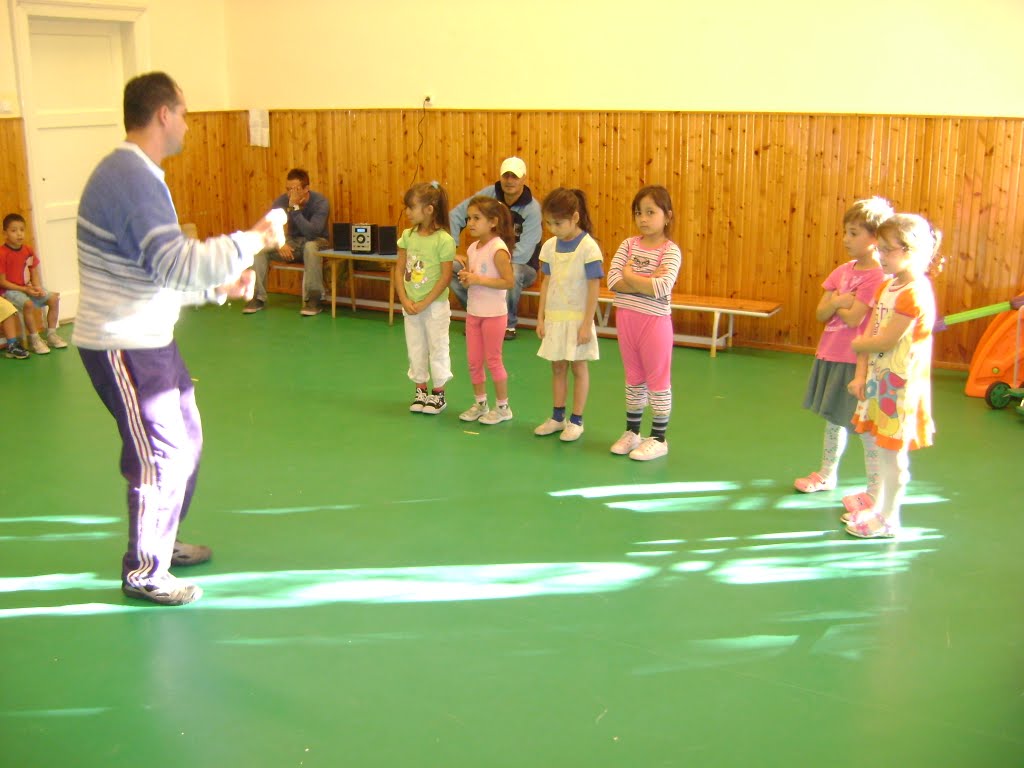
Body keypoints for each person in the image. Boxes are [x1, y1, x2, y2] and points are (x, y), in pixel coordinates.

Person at [74, 71, 285, 605]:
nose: (189, 126)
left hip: (149, 337)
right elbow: (176, 261)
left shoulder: (140, 175)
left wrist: (217, 288)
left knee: (185, 439)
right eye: (185, 114)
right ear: (164, 114)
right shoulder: (130, 177)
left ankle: (161, 543)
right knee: (160, 453)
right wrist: (253, 239)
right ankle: (146, 571)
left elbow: (158, 272)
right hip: (121, 342)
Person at [844, 213, 941, 538]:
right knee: (882, 451)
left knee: (893, 457)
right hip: (879, 384)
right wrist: (860, 375)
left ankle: (889, 518)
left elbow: (883, 340)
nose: (881, 255)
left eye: (888, 250)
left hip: (900, 391)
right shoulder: (887, 286)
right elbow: (871, 331)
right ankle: (880, 508)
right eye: (880, 248)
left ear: (911, 251)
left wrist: (857, 344)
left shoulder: (915, 293)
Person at [794, 197, 893, 505]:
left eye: (853, 233)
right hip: (831, 354)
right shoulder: (841, 271)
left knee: (863, 425)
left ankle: (875, 491)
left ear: (874, 238)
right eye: (845, 232)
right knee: (834, 419)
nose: (846, 239)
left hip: (857, 361)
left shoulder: (877, 276)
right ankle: (826, 473)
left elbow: (854, 318)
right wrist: (839, 300)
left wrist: (838, 303)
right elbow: (821, 313)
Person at [605, 185, 683, 461]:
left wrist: (630, 276)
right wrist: (646, 280)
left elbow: (661, 287)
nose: (643, 219)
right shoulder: (628, 245)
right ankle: (632, 432)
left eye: (651, 212)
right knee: (634, 378)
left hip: (654, 323)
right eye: (639, 213)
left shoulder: (670, 251)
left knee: (658, 380)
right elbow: (612, 280)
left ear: (667, 216)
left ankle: (659, 438)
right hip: (627, 320)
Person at [533, 188, 603, 442]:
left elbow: (594, 287)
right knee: (558, 366)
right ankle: (557, 417)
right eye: (548, 223)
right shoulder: (550, 247)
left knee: (579, 367)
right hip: (555, 318)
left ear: (574, 218)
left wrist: (586, 324)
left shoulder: (588, 247)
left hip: (577, 319)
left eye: (558, 223)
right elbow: (546, 282)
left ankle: (576, 420)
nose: (553, 229)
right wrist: (541, 318)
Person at [449, 157, 541, 339]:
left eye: (514, 176)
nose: (509, 181)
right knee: (451, 266)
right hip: (485, 262)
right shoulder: (487, 196)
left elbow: (524, 253)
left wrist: (493, 261)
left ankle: (507, 324)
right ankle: (478, 315)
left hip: (522, 267)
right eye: (506, 176)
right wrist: (452, 249)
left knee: (513, 271)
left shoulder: (532, 209)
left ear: (524, 178)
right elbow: (455, 215)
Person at [396, 181, 456, 415]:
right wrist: (404, 299)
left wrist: (425, 302)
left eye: (411, 207)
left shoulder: (444, 240)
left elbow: (445, 276)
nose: (407, 212)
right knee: (416, 347)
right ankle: (420, 389)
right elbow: (399, 268)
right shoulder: (407, 236)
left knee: (437, 347)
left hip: (434, 306)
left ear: (429, 210)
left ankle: (438, 393)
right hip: (411, 305)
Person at [456, 197, 516, 425]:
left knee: (493, 361)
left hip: (494, 315)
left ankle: (503, 408)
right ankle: (481, 404)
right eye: (469, 218)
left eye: (476, 218)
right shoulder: (472, 248)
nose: (470, 223)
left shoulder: (498, 249)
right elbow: (475, 279)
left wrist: (478, 279)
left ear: (493, 222)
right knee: (474, 361)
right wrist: (467, 279)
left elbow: (508, 282)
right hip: (474, 313)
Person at [243, 167, 330, 316]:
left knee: (310, 247)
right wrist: (280, 244)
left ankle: (314, 299)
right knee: (259, 249)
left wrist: (294, 208)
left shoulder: (320, 202)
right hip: (292, 242)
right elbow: (269, 227)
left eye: (295, 189)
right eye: (288, 189)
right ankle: (257, 297)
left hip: (317, 242)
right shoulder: (282, 201)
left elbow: (312, 233)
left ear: (306, 189)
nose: (291, 193)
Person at [0, 213, 67, 354]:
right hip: (10, 291)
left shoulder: (27, 250)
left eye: (22, 230)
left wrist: (37, 287)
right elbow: (3, 282)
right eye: (14, 230)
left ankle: (51, 335)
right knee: (29, 304)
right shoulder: (2, 253)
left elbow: (33, 271)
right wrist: (25, 289)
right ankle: (34, 339)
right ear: (5, 233)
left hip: (28, 288)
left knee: (54, 298)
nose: (19, 234)